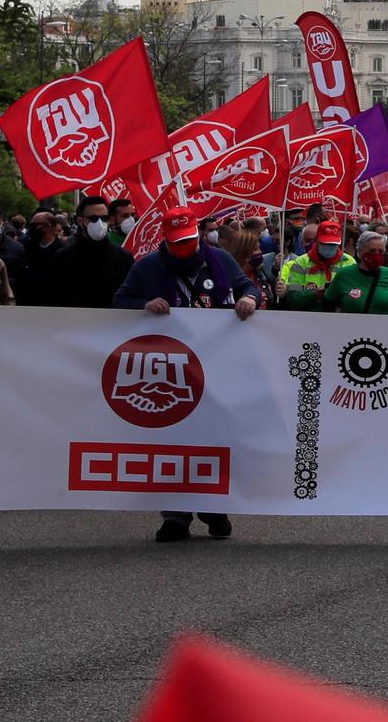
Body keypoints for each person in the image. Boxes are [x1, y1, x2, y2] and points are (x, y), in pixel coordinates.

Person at [111, 209, 259, 544]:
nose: (185, 248)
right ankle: (176, 515)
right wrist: (144, 304)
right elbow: (120, 299)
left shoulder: (219, 260)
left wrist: (250, 298)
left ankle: (213, 506)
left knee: (215, 438)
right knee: (174, 440)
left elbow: (247, 286)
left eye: (190, 241)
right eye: (178, 243)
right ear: (165, 239)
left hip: (219, 365)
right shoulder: (148, 266)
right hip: (171, 370)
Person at [34, 195, 134, 307]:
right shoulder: (62, 258)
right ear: (80, 221)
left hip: (112, 322)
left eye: (104, 218)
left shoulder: (123, 257)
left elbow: (130, 296)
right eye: (93, 218)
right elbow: (50, 297)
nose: (99, 223)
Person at [322, 233, 388, 314]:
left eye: (381, 251)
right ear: (360, 252)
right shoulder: (344, 275)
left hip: (385, 330)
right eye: (372, 251)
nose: (377, 255)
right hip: (352, 330)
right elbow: (328, 305)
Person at [278, 219, 352, 311]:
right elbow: (293, 296)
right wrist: (315, 294)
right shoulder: (301, 263)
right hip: (308, 317)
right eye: (325, 243)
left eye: (333, 244)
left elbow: (355, 295)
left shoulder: (349, 262)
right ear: (316, 240)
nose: (329, 247)